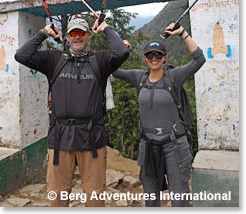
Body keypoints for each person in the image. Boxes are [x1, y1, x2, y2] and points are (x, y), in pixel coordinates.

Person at [14, 16, 129, 207]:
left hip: (92, 138)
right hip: (60, 139)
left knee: (95, 197)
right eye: (73, 33)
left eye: (81, 33)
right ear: (67, 37)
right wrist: (44, 33)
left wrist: (106, 27)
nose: (77, 37)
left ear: (88, 36)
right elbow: (22, 55)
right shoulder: (54, 59)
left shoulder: (99, 61)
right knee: (57, 197)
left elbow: (122, 51)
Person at [113, 23, 206, 207]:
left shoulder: (174, 77)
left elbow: (199, 60)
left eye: (158, 55)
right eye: (150, 55)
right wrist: (121, 51)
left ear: (165, 58)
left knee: (179, 198)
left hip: (174, 146)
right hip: (148, 146)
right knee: (151, 198)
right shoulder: (139, 77)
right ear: (145, 58)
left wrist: (183, 34)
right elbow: (113, 70)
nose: (154, 58)